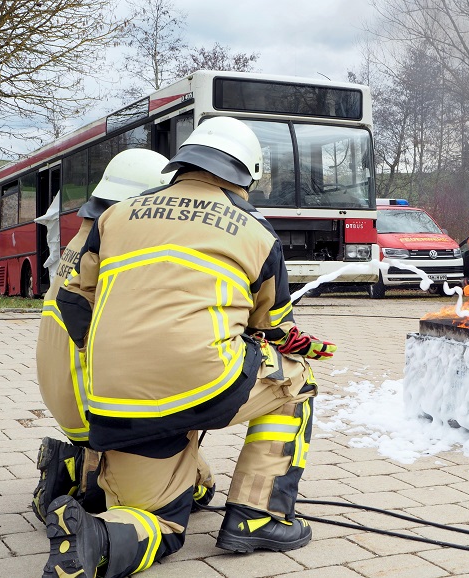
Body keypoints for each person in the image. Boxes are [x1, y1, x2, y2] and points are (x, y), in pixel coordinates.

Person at [48, 117, 335, 578]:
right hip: (203, 383)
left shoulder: (115, 216)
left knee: (159, 521)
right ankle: (258, 516)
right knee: (296, 376)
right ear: (246, 176)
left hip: (115, 398)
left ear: (183, 165)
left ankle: (98, 539)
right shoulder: (256, 233)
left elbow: (74, 303)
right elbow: (275, 329)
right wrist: (305, 346)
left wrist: (122, 357)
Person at [33, 149, 216, 524]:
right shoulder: (126, 249)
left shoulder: (83, 241)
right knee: (198, 489)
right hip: (102, 408)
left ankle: (77, 468)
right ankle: (95, 477)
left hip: (64, 395)